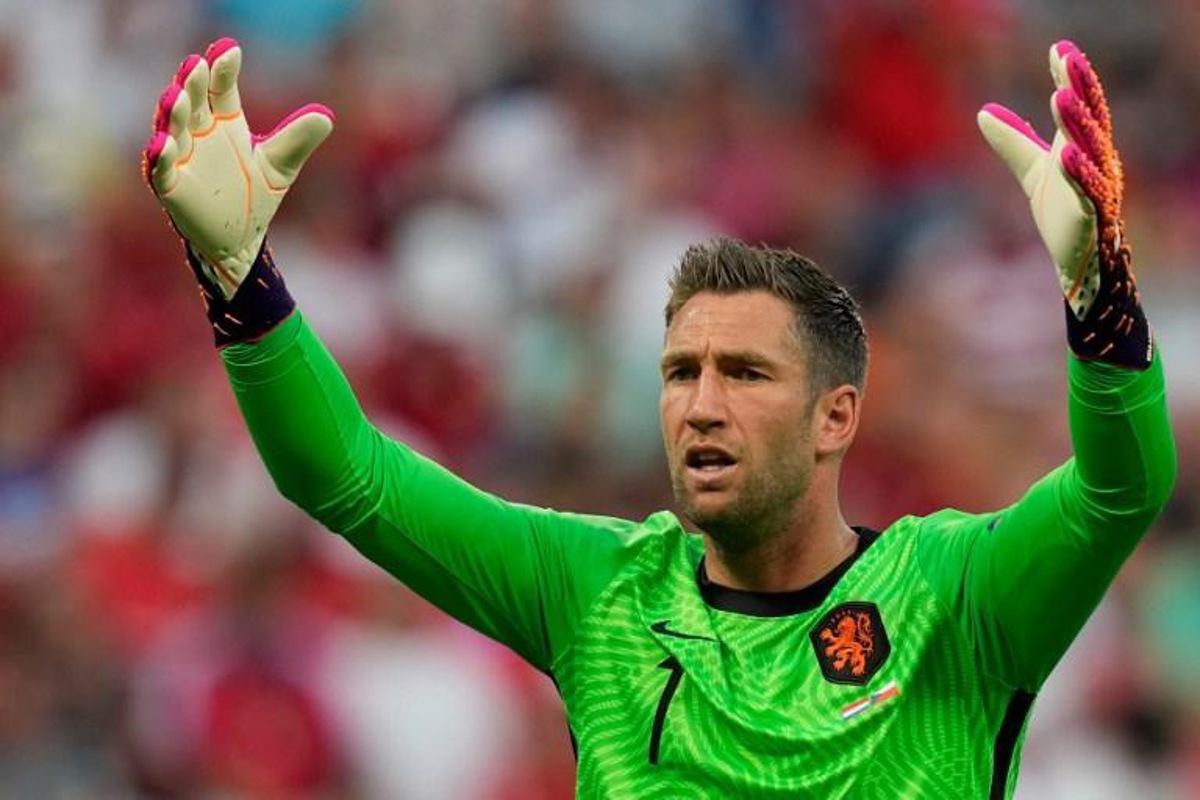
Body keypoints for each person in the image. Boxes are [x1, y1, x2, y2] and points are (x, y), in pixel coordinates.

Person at [142, 37, 1175, 798]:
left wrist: (1099, 290)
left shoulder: (959, 594)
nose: (702, 405)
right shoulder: (596, 591)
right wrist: (239, 276)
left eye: (745, 373)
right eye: (680, 371)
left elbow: (1122, 486)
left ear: (837, 415)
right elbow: (345, 474)